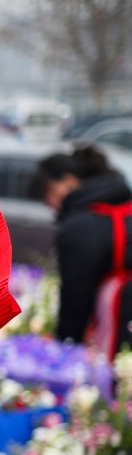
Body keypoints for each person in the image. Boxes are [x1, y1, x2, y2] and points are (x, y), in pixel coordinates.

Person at [31, 144, 132, 358]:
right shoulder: (118, 199)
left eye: (48, 192)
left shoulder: (81, 224)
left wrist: (65, 347)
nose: (49, 203)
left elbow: (76, 295)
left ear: (68, 181)